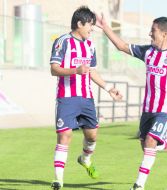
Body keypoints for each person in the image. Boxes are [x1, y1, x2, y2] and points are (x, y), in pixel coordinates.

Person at [96, 15, 167, 190]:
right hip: (148, 109)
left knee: (151, 141)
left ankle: (139, 185)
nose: (149, 34)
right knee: (147, 145)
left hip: (165, 109)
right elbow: (122, 46)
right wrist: (106, 27)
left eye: (153, 31)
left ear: (164, 34)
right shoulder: (147, 52)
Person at [49, 6, 122, 190]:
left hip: (86, 99)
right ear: (79, 23)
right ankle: (58, 180)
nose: (92, 29)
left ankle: (85, 159)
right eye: (90, 25)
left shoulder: (90, 45)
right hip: (67, 98)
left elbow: (92, 71)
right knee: (65, 136)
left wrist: (108, 88)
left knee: (92, 136)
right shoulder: (62, 41)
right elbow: (54, 69)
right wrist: (76, 70)